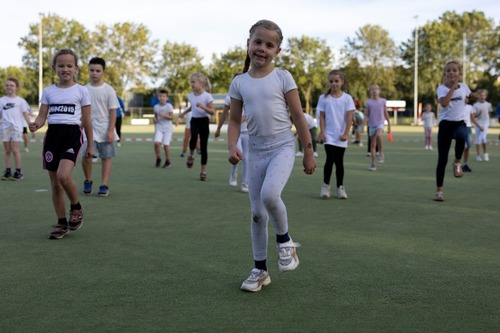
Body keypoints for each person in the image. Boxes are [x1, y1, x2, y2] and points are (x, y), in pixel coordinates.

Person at [227, 19, 316, 292]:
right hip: (255, 150)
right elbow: (233, 121)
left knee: (269, 195)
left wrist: (308, 152)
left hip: (282, 147)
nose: (262, 48)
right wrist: (232, 146)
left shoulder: (282, 77)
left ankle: (285, 241)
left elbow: (299, 117)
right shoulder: (239, 82)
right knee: (256, 214)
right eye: (258, 42)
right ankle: (260, 270)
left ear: (277, 51)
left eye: (269, 45)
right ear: (248, 44)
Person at [29, 48, 94, 239]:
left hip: (72, 135)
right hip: (53, 138)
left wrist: (90, 145)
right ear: (54, 68)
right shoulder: (48, 91)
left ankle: (76, 207)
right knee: (56, 184)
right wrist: (36, 125)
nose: (65, 69)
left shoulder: (82, 91)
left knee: (63, 176)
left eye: (69, 65)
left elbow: (87, 120)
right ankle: (61, 223)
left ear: (76, 68)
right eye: (61, 65)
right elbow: (42, 117)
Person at [434, 60, 478, 202]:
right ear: (445, 74)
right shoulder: (441, 89)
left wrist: (474, 96)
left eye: (455, 70)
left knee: (461, 136)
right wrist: (452, 88)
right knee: (442, 160)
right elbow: (445, 103)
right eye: (449, 70)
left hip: (459, 123)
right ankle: (439, 191)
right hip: (445, 125)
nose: (452, 72)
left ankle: (457, 161)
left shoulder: (464, 86)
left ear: (459, 73)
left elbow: (470, 96)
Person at [82, 57, 119, 197]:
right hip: (88, 128)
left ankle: (104, 185)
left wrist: (110, 131)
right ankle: (88, 180)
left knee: (106, 157)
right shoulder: (84, 89)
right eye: (92, 70)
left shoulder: (109, 90)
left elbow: (113, 112)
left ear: (103, 71)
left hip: (105, 128)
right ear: (88, 70)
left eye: (98, 70)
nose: (94, 73)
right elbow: (81, 110)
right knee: (86, 156)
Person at [318, 70, 355, 199]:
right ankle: (325, 186)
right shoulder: (323, 98)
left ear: (342, 82)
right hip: (329, 135)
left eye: (336, 81)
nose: (334, 84)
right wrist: (322, 132)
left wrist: (346, 133)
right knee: (329, 160)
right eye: (331, 81)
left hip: (341, 136)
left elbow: (350, 117)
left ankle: (340, 188)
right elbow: (321, 117)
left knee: (339, 162)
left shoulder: (347, 98)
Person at [179, 72, 214, 181]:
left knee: (204, 148)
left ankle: (203, 172)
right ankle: (191, 155)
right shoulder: (190, 96)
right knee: (193, 136)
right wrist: (184, 113)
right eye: (191, 82)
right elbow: (192, 107)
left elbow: (212, 111)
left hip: (204, 121)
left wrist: (204, 107)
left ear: (201, 83)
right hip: (194, 120)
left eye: (193, 82)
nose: (192, 84)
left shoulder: (207, 96)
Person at [215, 94, 249, 192]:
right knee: (237, 154)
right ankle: (233, 174)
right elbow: (224, 115)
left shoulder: (250, 92)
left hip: (248, 132)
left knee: (247, 158)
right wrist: (218, 129)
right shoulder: (229, 97)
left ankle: (245, 184)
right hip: (235, 132)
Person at [0, 78, 32, 180]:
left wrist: (30, 124)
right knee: (7, 150)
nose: (9, 87)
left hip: (16, 128)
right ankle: (8, 171)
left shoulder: (21, 101)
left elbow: (26, 115)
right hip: (5, 128)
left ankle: (18, 172)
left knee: (15, 150)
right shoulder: (2, 100)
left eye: (12, 85)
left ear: (16, 88)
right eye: (7, 85)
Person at [363, 84, 391, 171]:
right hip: (371, 125)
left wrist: (389, 124)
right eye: (372, 89)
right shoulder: (368, 102)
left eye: (376, 89)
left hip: (380, 123)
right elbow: (366, 115)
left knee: (379, 135)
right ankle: (373, 163)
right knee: (373, 145)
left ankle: (381, 152)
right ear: (370, 92)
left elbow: (385, 113)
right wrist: (363, 125)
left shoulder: (383, 101)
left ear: (379, 91)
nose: (374, 91)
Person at [153, 89, 174, 168]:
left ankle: (168, 161)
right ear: (158, 97)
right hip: (159, 127)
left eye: (163, 96)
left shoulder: (169, 106)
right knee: (156, 143)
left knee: (166, 145)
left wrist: (164, 115)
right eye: (160, 96)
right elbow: (155, 116)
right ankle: (158, 158)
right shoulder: (156, 107)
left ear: (167, 98)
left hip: (168, 128)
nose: (162, 98)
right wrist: (154, 119)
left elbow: (172, 117)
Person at [471, 89, 492, 162]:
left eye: (483, 95)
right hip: (477, 123)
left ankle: (485, 154)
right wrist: (479, 114)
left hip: (485, 123)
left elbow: (489, 113)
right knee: (478, 139)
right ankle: (478, 155)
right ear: (478, 96)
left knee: (483, 138)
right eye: (480, 95)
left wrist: (487, 122)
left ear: (486, 96)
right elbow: (473, 116)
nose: (482, 97)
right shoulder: (475, 105)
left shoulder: (488, 104)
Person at [462, 99, 474, 172]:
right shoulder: (458, 106)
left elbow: (472, 117)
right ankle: (457, 162)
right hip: (460, 127)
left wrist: (478, 126)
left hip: (468, 127)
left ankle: (465, 164)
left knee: (468, 146)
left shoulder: (470, 107)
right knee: (462, 146)